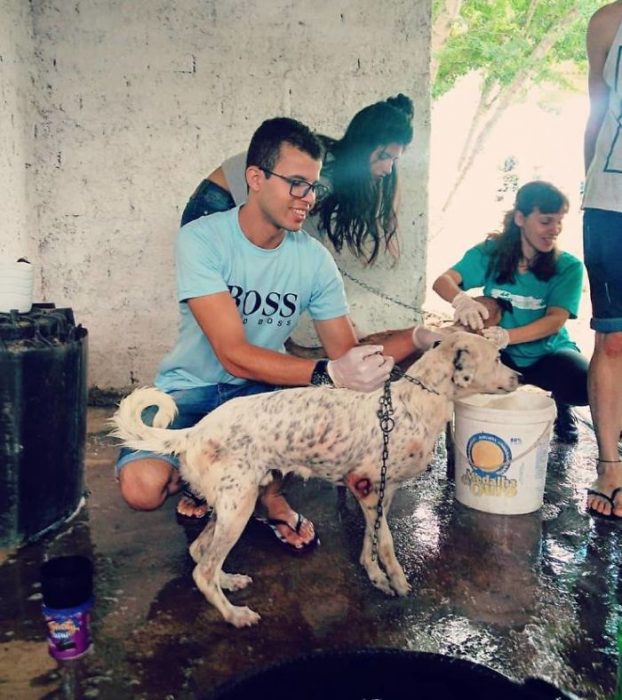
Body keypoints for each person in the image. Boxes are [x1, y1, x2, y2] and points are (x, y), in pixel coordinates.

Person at [116, 117, 436, 552]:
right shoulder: (202, 239)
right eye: (296, 184)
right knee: (143, 487)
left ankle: (266, 495)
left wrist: (419, 336)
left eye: (314, 187)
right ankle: (209, 479)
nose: (308, 199)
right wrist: (327, 373)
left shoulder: (314, 261)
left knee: (328, 414)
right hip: (190, 387)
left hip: (259, 397)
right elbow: (232, 353)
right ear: (255, 178)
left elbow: (347, 354)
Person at [432, 181, 588, 444]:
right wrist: (462, 300)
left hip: (546, 353)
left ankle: (561, 404)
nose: (555, 230)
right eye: (546, 221)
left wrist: (507, 336)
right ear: (520, 218)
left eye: (559, 222)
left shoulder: (568, 266)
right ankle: (457, 426)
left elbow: (554, 321)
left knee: (584, 384)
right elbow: (443, 281)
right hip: (499, 353)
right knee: (452, 365)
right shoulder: (491, 252)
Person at [180, 94, 414, 264]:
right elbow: (297, 237)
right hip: (216, 203)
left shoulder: (334, 168)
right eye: (383, 156)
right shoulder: (325, 172)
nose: (387, 168)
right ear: (363, 146)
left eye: (394, 160)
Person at [582, 1, 622, 518]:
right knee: (612, 338)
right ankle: (611, 465)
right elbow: (596, 113)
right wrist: (588, 187)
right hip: (611, 205)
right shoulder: (608, 21)